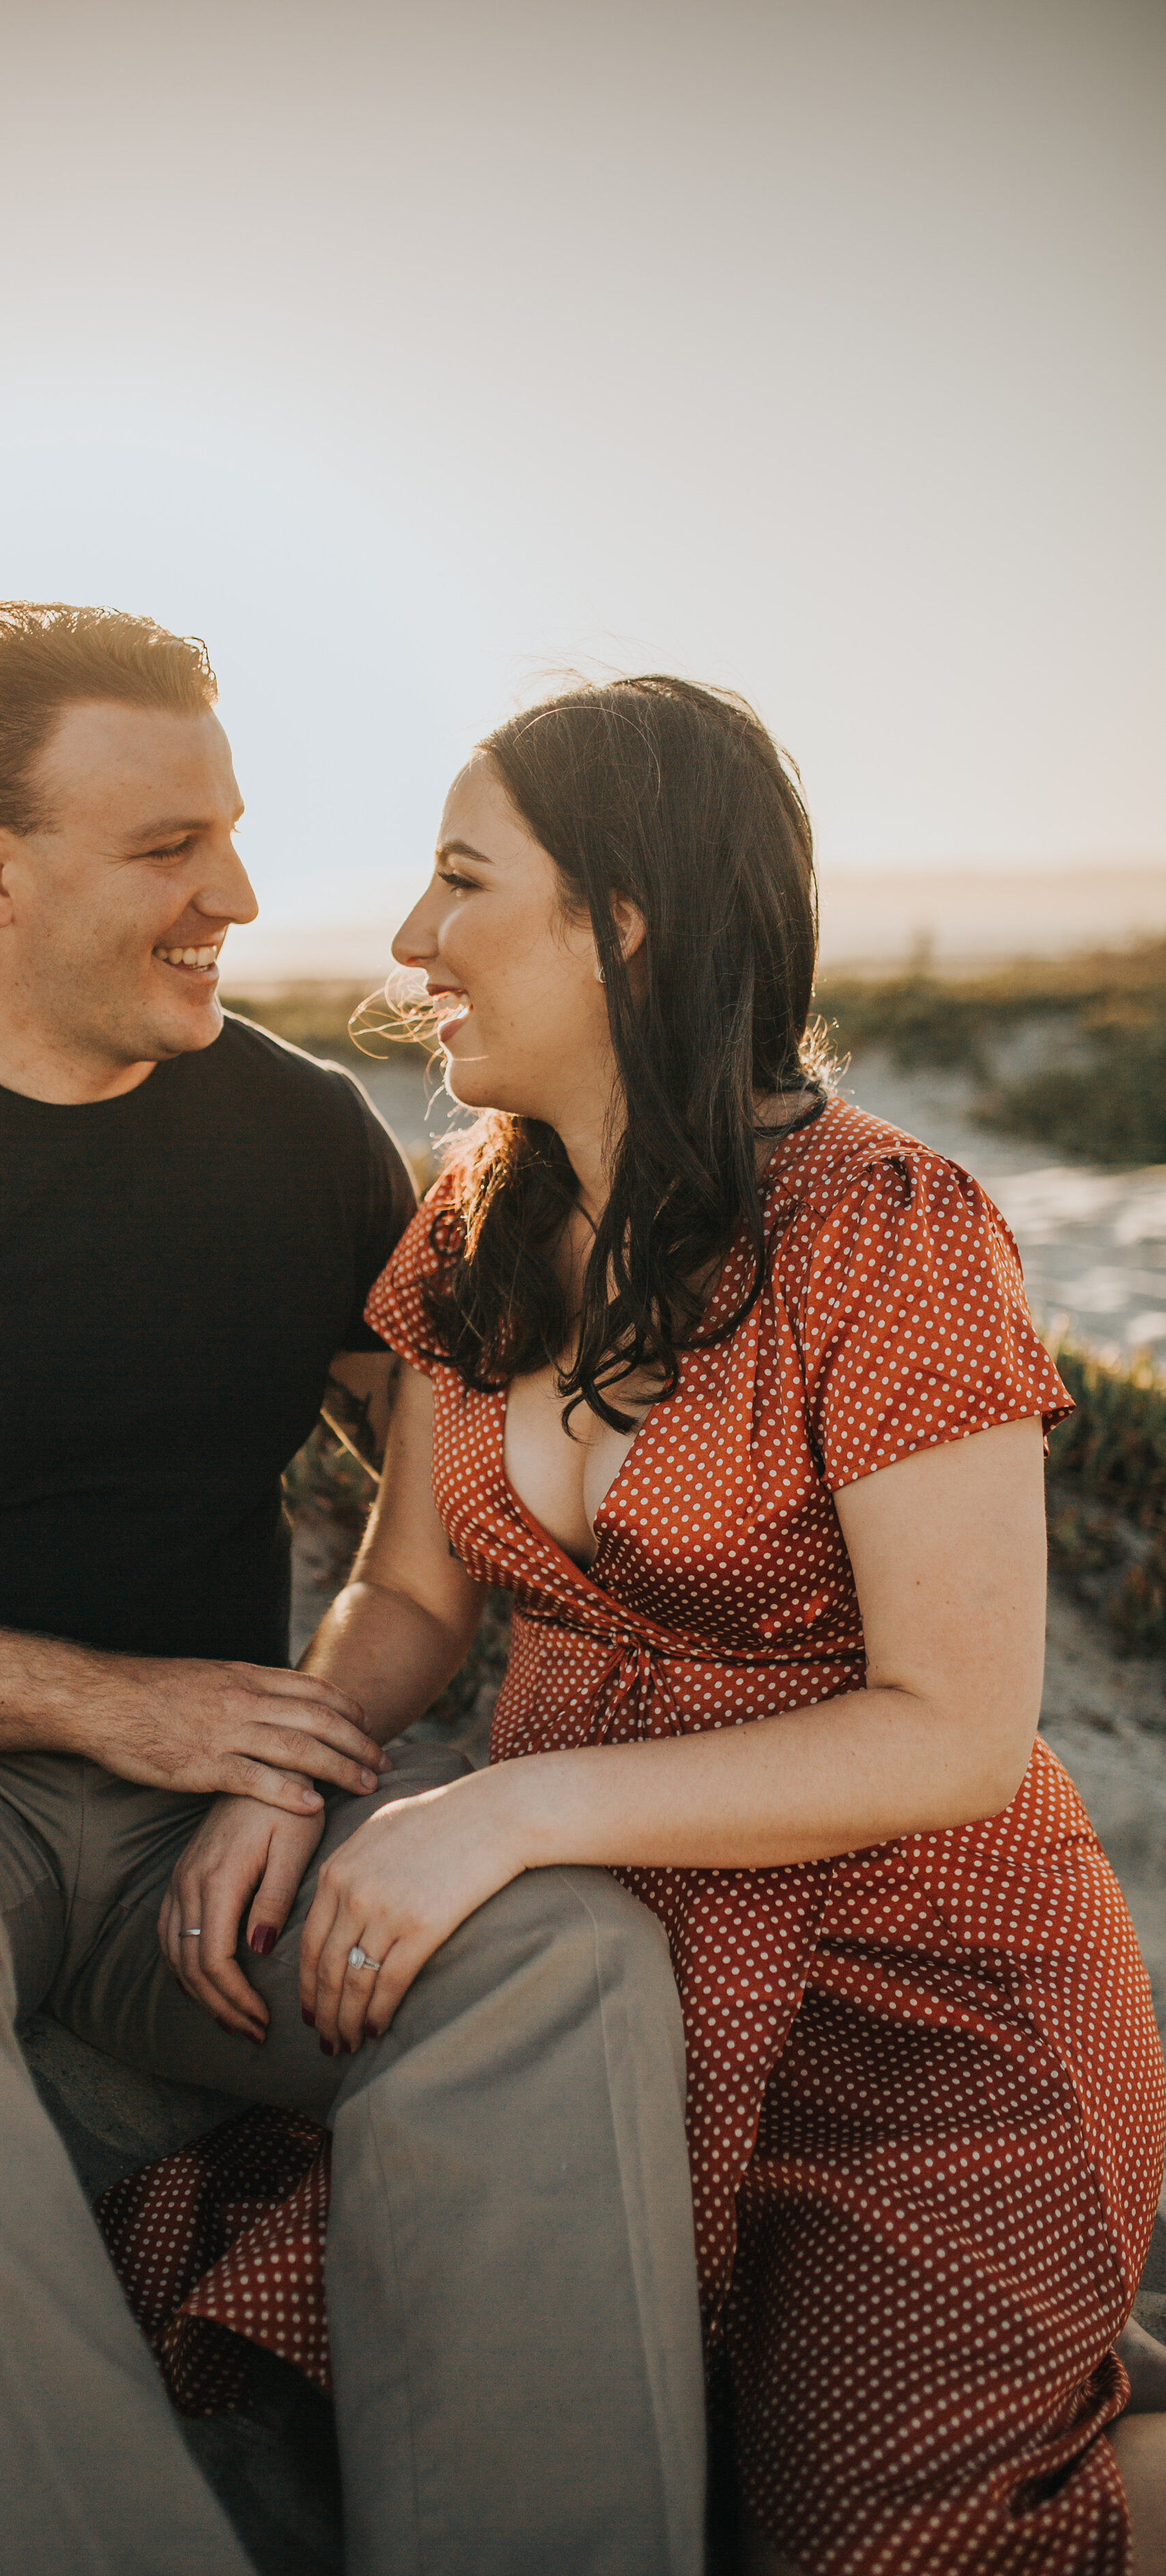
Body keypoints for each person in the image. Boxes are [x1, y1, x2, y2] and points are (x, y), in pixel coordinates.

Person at [0, 602, 708, 2576]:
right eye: (166, 848)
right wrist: (107, 1701)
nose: (237, 896)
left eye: (233, 832)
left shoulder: (301, 1141)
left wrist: (305, 1762)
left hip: (220, 1822)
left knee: (564, 1951)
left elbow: (457, 1529)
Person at [155, 675, 1166, 2574]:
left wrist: (502, 1812)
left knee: (882, 2538)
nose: (404, 941)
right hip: (597, 1980)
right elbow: (407, 1587)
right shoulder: (471, 1217)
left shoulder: (891, 1232)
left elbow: (952, 1726)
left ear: (624, 917)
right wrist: (289, 1769)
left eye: (463, 881)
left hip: (913, 1999)